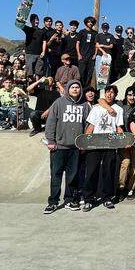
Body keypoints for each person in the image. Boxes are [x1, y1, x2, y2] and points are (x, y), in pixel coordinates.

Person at [42, 80, 88, 213]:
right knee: (56, 175)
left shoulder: (84, 105)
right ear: (67, 89)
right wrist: (50, 140)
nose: (75, 89)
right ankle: (53, 202)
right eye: (72, 87)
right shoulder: (59, 103)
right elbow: (51, 122)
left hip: (75, 148)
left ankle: (69, 200)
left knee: (72, 176)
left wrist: (84, 144)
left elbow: (87, 126)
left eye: (77, 87)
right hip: (59, 147)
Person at [82, 84, 124, 210]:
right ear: (104, 93)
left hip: (110, 144)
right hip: (95, 144)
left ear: (115, 95)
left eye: (112, 92)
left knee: (108, 171)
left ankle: (107, 198)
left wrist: (121, 140)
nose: (109, 94)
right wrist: (85, 143)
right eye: (107, 92)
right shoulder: (96, 108)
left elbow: (119, 127)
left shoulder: (118, 109)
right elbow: (90, 127)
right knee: (91, 171)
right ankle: (89, 198)